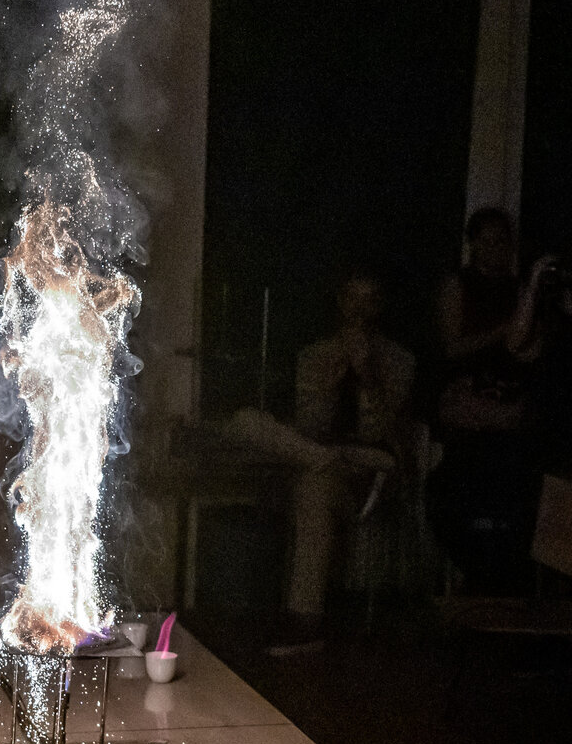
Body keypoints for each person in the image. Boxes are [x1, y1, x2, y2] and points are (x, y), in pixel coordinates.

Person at [228, 271, 415, 650]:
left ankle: (305, 621)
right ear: (341, 303)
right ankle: (327, 461)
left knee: (315, 482)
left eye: (369, 300)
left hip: (368, 464)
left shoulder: (399, 360)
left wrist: (367, 375)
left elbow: (387, 432)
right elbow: (311, 425)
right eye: (353, 299)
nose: (360, 310)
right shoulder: (315, 355)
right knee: (245, 422)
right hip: (324, 456)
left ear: (379, 307)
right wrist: (329, 381)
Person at [427, 208, 550, 592]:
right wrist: (502, 331)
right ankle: (475, 568)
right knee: (465, 476)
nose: (497, 248)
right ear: (474, 244)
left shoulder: (519, 289)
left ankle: (508, 569)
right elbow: (453, 347)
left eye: (503, 241)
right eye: (489, 241)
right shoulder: (458, 285)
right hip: (468, 390)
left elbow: (528, 347)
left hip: (509, 393)